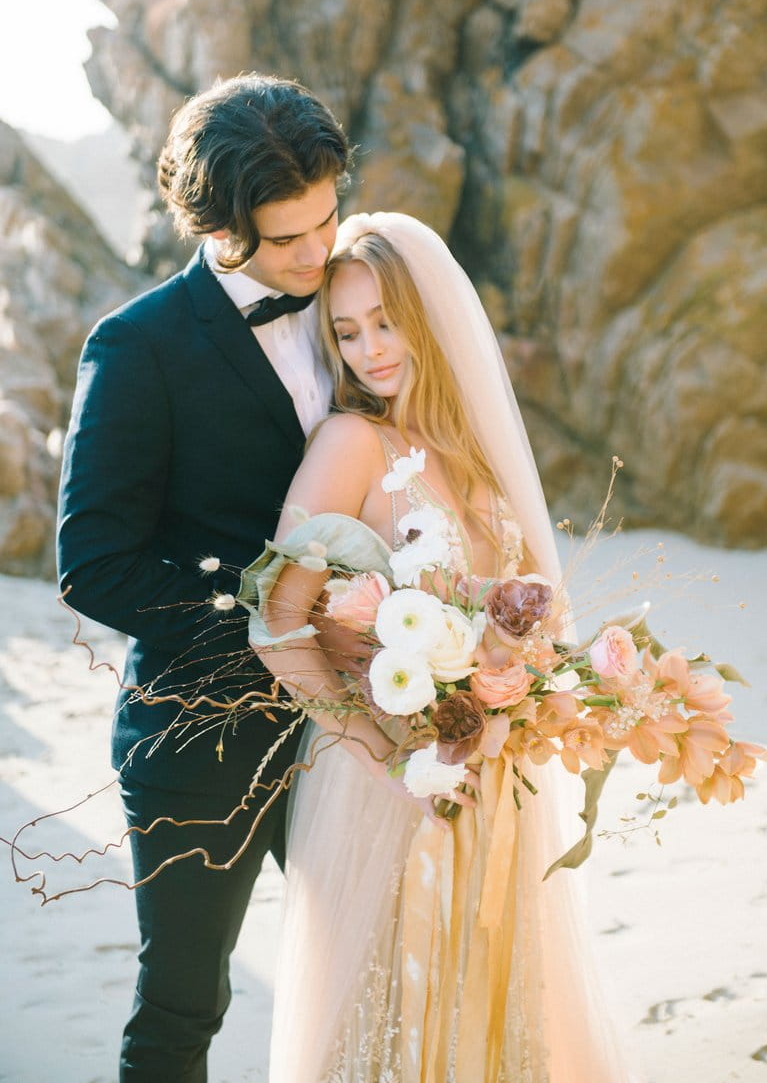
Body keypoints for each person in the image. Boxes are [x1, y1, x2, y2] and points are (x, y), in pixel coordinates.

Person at [251, 212, 632, 1080]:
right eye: (347, 332)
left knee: (497, 1008)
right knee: (395, 1020)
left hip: (498, 777)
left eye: (387, 322)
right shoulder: (351, 444)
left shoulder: (475, 455)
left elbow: (524, 610)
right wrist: (388, 753)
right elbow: (277, 619)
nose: (370, 350)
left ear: (430, 319)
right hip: (391, 785)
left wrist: (534, 681)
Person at [56, 73, 352, 1082]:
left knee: (376, 971)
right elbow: (93, 561)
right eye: (286, 240)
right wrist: (274, 620)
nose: (317, 253)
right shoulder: (135, 346)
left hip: (362, 713)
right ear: (215, 227)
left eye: (327, 219)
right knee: (186, 1003)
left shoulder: (362, 304)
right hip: (201, 727)